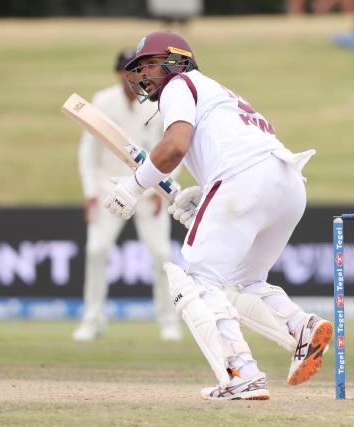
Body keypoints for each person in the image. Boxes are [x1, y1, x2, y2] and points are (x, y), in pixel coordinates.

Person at [102, 31, 333, 401]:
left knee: (196, 281)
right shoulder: (216, 91)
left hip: (244, 180)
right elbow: (225, 148)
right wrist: (201, 192)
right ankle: (300, 325)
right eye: (139, 68)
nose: (143, 75)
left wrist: (133, 187)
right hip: (287, 182)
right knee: (243, 282)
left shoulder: (180, 85)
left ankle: (241, 373)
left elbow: (174, 146)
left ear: (177, 61)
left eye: (149, 64)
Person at [73, 49, 183, 343]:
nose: (130, 76)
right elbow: (88, 151)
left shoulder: (159, 102)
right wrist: (89, 193)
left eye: (135, 70)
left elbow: (175, 145)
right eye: (124, 70)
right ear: (117, 73)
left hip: (149, 191)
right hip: (107, 189)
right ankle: (92, 319)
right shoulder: (102, 101)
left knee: (161, 255)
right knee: (96, 251)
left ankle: (168, 321)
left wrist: (166, 190)